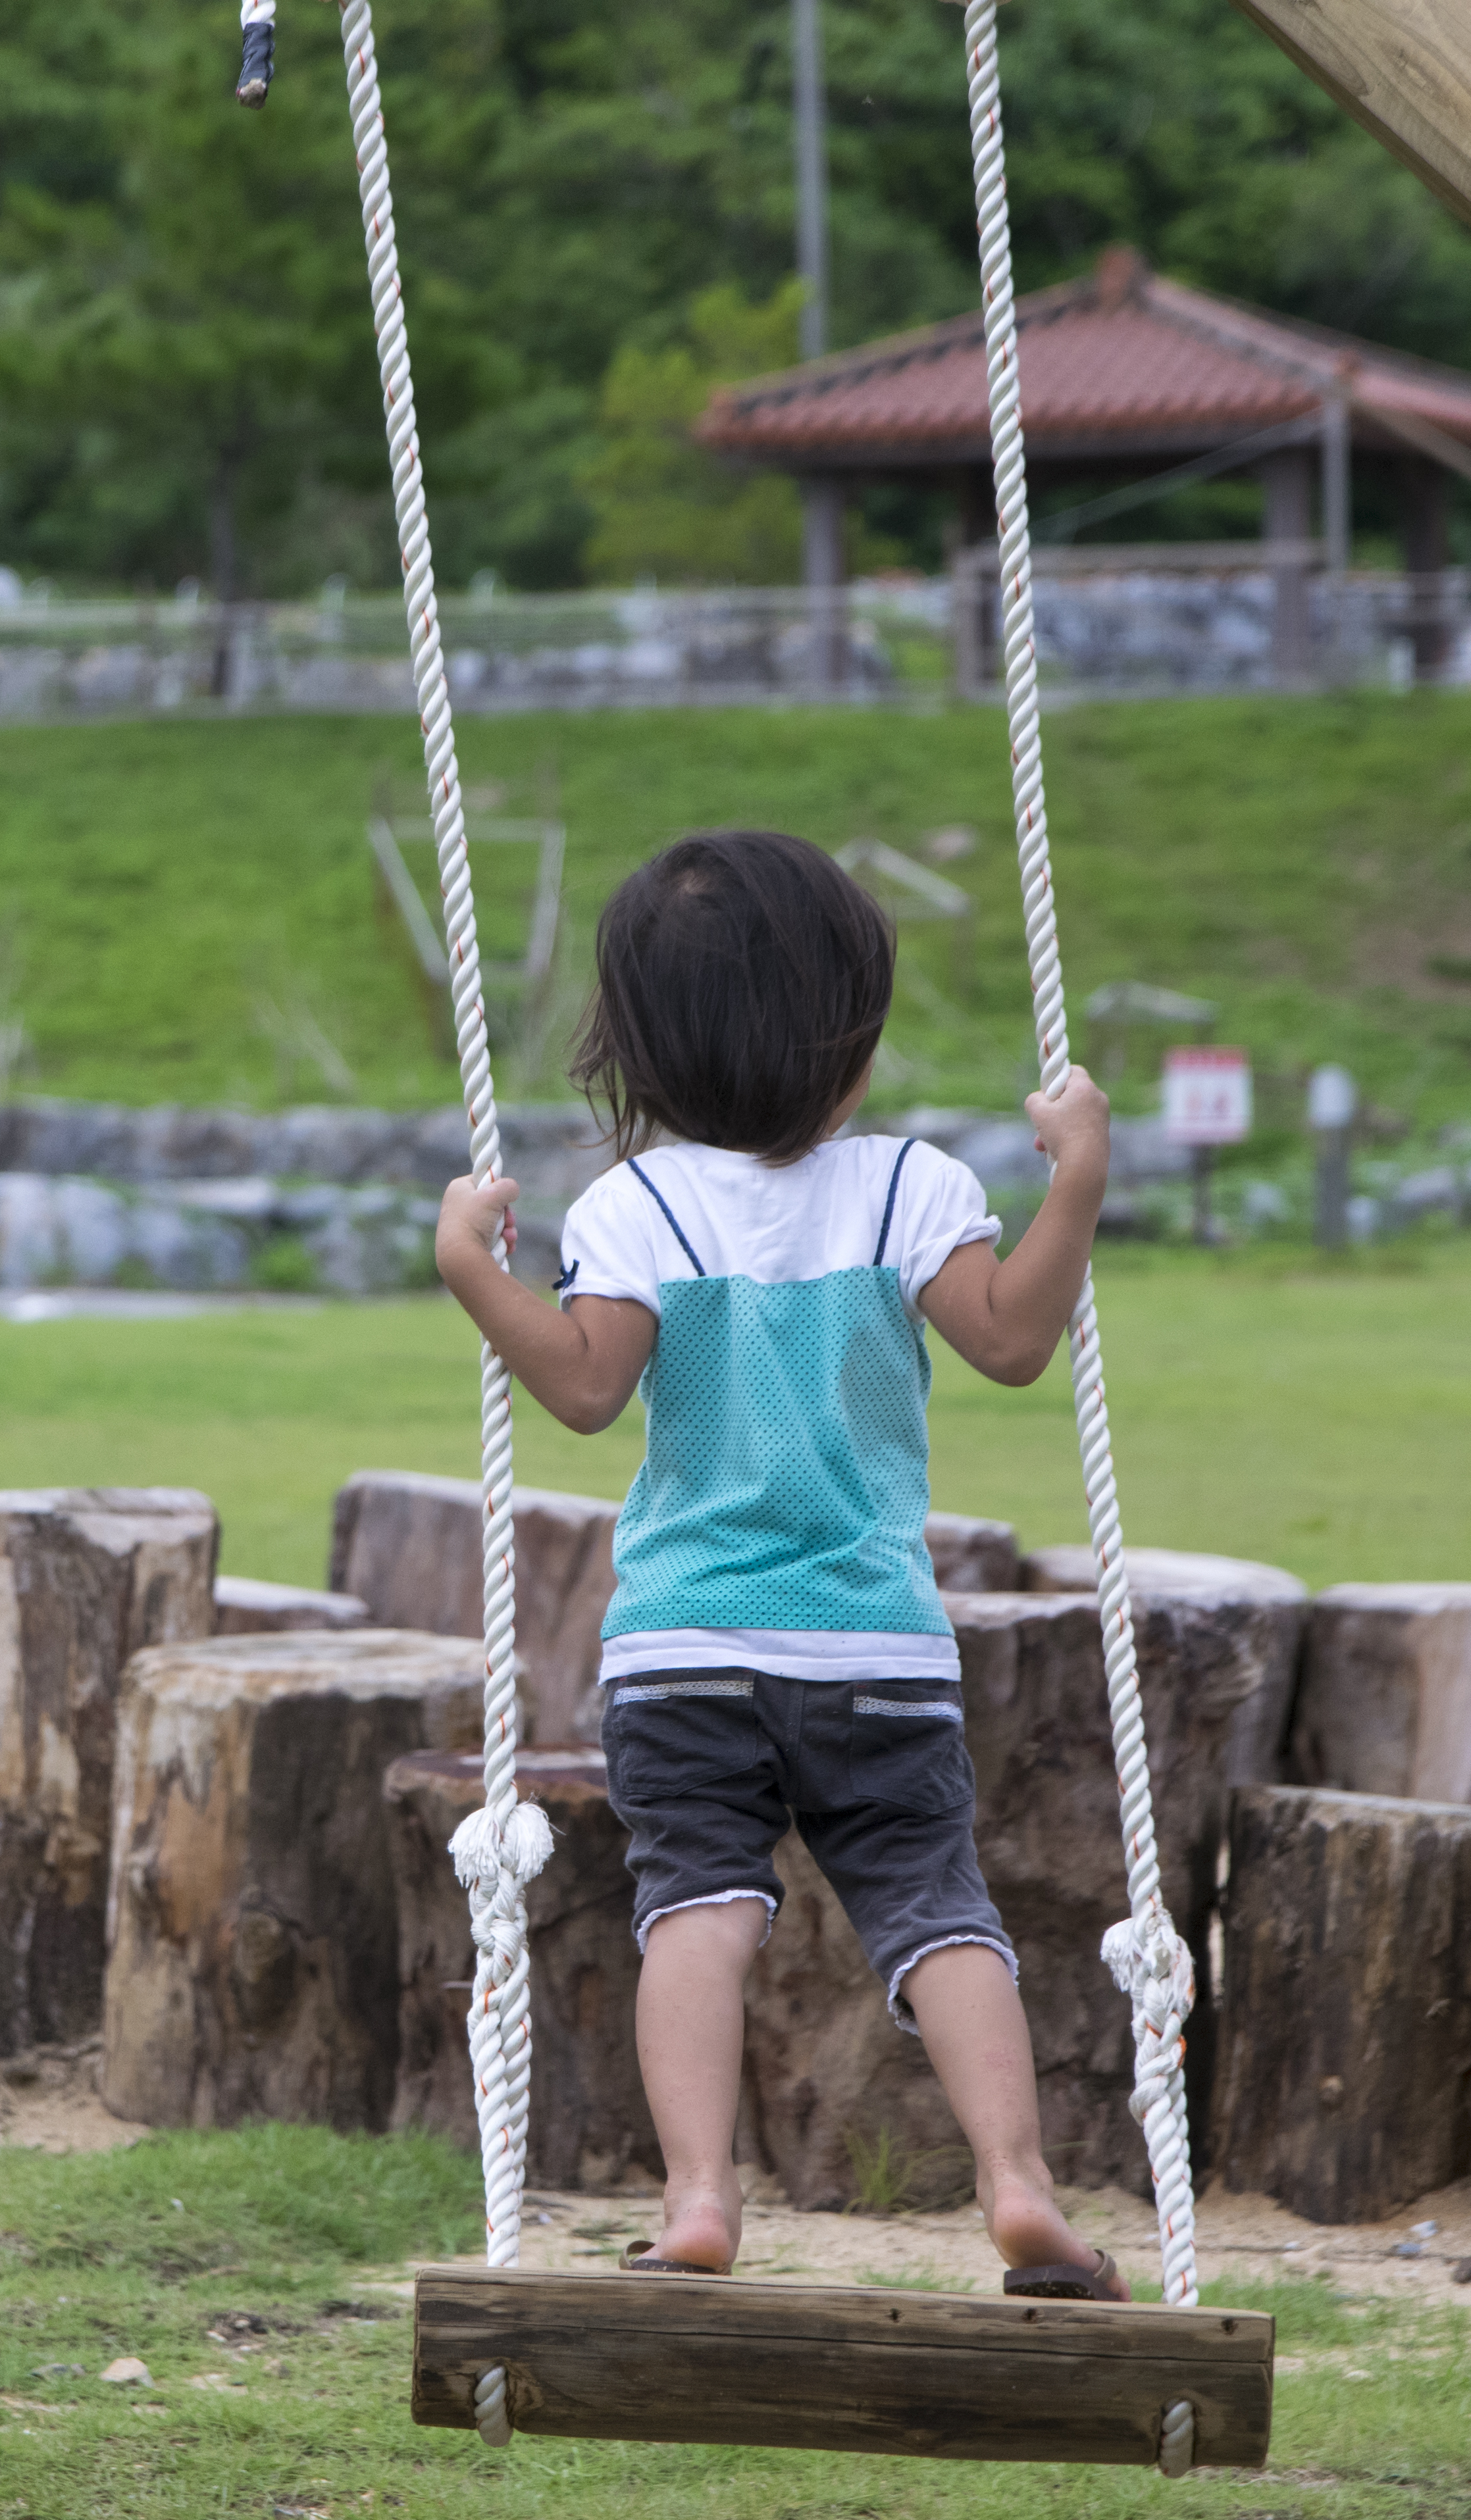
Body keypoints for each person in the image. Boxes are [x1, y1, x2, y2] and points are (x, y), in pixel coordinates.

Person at [428, 831, 1123, 2294]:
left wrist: (473, 1271)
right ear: (849, 1040)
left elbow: (580, 1387)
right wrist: (1076, 1182)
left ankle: (697, 2199)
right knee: (939, 1907)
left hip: (685, 1647)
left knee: (698, 1908)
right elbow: (1009, 1340)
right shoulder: (909, 1187)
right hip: (875, 1643)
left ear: (646, 1051)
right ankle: (1015, 2177)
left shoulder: (639, 1208)